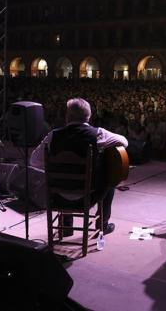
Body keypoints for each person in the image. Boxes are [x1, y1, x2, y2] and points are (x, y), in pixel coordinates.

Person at [30, 97, 128, 235]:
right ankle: (102, 225)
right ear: (88, 117)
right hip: (88, 196)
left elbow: (34, 161)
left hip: (58, 196)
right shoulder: (98, 134)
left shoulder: (53, 136)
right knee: (110, 179)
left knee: (67, 179)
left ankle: (66, 228)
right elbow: (124, 142)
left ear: (67, 116)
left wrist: (55, 168)